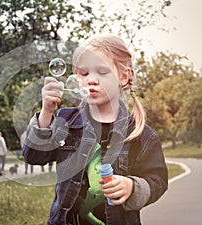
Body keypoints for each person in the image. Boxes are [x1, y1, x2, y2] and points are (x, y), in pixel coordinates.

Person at [23, 34, 168, 225]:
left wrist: (132, 187)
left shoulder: (141, 134)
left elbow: (158, 179)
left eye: (102, 71)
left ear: (124, 77)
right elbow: (34, 156)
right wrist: (46, 113)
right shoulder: (65, 120)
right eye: (84, 74)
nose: (91, 80)